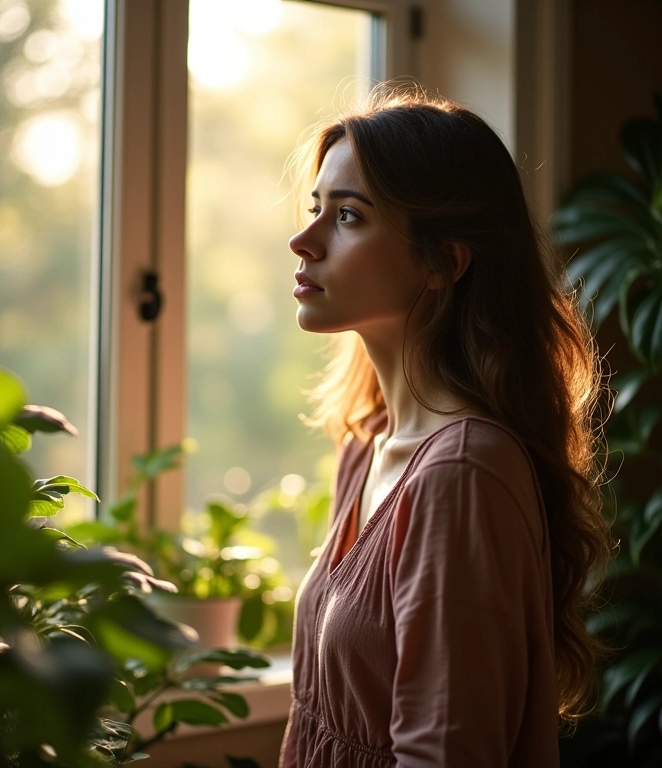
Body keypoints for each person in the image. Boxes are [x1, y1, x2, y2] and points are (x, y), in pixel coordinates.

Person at [279, 85, 610, 768]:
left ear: (443, 262)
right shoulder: (366, 445)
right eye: (317, 208)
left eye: (347, 216)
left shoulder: (461, 475)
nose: (302, 240)